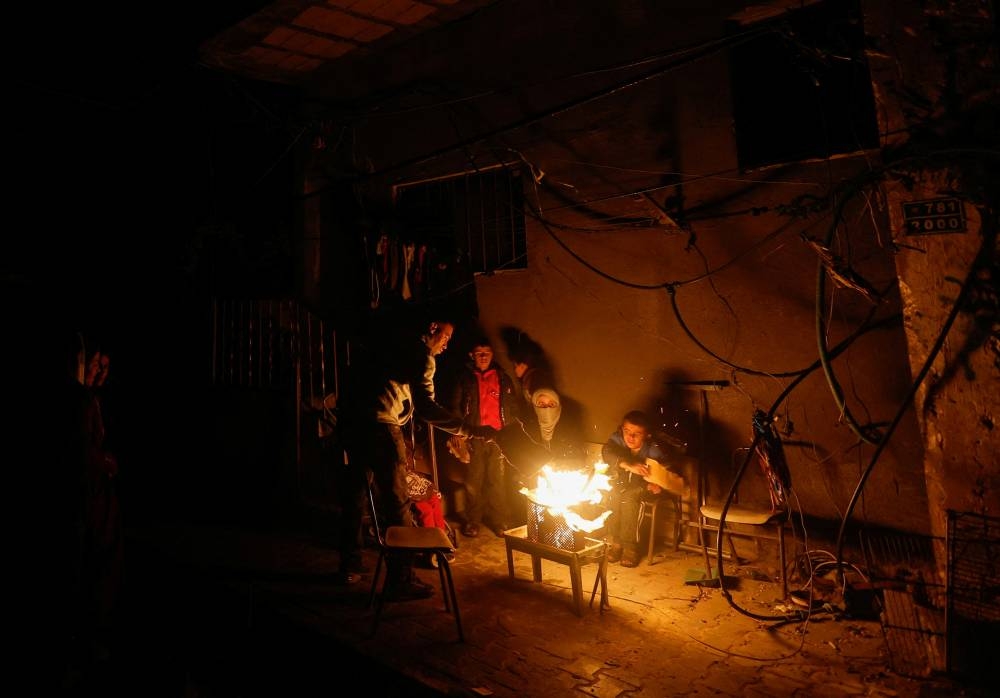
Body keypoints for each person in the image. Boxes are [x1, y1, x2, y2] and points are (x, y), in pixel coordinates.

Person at [339, 317, 496, 600]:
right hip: (382, 428)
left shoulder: (391, 345)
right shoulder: (421, 355)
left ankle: (349, 565)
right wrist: (468, 429)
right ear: (432, 329)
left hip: (354, 425)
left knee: (355, 496)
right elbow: (427, 407)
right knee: (397, 504)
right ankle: (400, 579)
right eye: (445, 337)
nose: (446, 345)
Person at [450, 337, 520, 538]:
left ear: (491, 355)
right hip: (475, 437)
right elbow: (456, 405)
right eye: (479, 353)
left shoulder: (502, 377)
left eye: (486, 353)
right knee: (474, 480)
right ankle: (473, 521)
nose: (483, 357)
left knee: (497, 480)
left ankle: (499, 520)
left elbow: (512, 406)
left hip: (498, 438)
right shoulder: (465, 377)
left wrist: (512, 431)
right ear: (472, 355)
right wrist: (459, 433)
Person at [601, 410, 675, 567]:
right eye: (627, 431)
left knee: (630, 497)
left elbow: (666, 474)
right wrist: (627, 464)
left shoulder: (654, 450)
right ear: (621, 429)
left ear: (647, 435)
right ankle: (616, 542)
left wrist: (658, 484)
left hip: (646, 488)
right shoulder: (618, 439)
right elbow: (607, 452)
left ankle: (630, 547)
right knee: (613, 494)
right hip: (622, 485)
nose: (630, 437)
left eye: (637, 433)